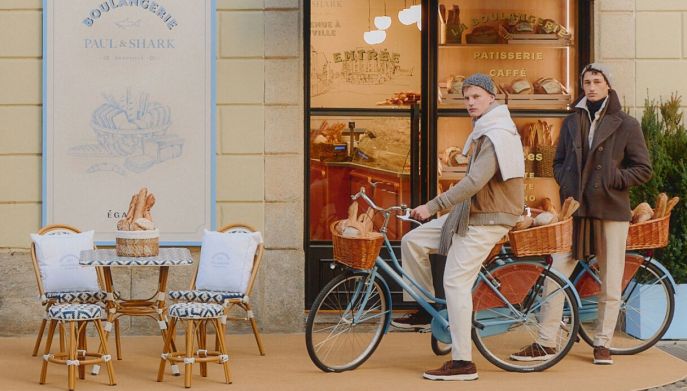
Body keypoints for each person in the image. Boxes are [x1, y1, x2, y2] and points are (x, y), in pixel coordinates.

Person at [510, 63, 652, 365]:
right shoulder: (573, 120)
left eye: (597, 81)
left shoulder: (626, 124)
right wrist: (565, 180)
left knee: (611, 279)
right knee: (556, 274)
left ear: (608, 86)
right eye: (586, 81)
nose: (591, 86)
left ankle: (603, 343)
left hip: (611, 210)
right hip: (574, 208)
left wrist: (613, 179)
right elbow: (558, 160)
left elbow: (643, 169)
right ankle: (547, 341)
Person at [392, 73, 525, 381]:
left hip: (488, 217)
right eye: (466, 97)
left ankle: (463, 362)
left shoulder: (497, 134)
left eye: (476, 96)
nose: (470, 102)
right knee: (412, 240)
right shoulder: (484, 130)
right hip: (470, 213)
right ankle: (426, 310)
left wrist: (431, 206)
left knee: (455, 283)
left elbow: (474, 182)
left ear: (492, 97)